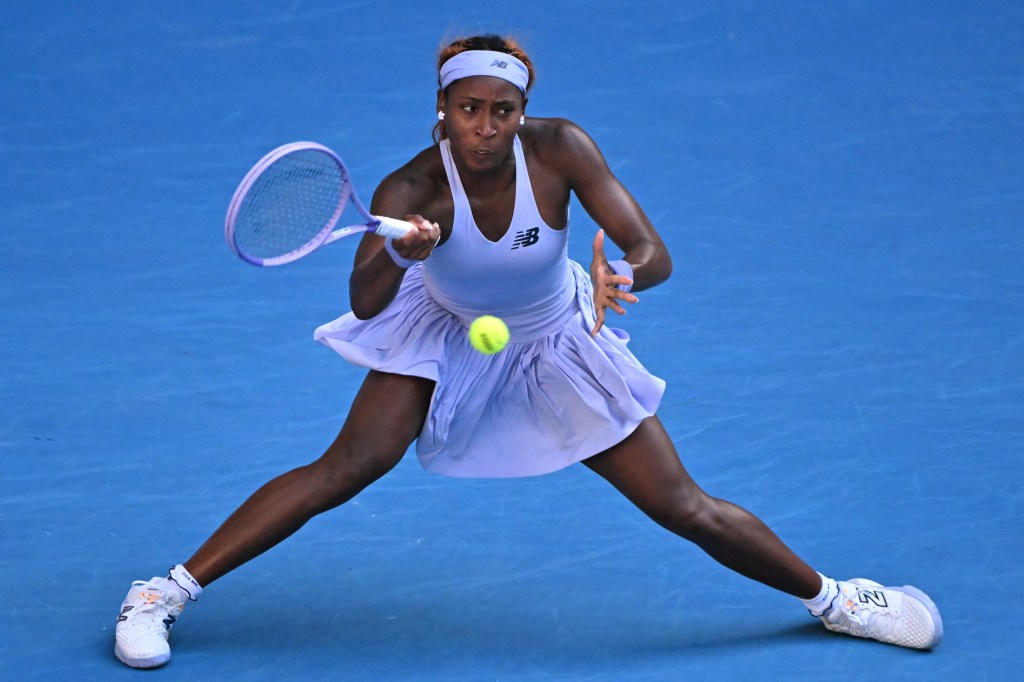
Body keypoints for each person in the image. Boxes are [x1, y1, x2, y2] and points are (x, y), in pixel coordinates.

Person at [113, 34, 943, 669]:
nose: (484, 127)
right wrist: (403, 251)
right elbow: (365, 303)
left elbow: (652, 249)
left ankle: (838, 600)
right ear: (443, 109)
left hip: (552, 339)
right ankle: (161, 593)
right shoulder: (412, 187)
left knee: (680, 503)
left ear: (521, 110)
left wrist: (623, 272)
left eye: (500, 110)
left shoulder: (560, 150)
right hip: (442, 331)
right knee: (349, 466)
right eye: (468, 109)